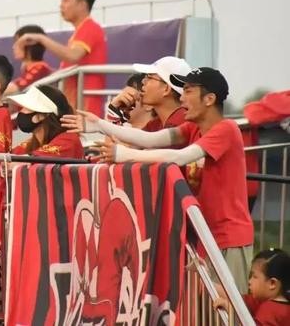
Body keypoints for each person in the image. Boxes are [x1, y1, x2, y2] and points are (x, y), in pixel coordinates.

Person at [62, 67, 254, 290]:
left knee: (227, 307)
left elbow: (180, 157)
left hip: (228, 236)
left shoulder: (227, 129)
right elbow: (151, 139)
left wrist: (124, 155)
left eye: (188, 91)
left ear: (209, 99)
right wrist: (100, 125)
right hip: (205, 233)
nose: (181, 98)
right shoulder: (193, 127)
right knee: (205, 306)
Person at [14, 0, 107, 115]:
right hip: (75, 108)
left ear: (82, 4)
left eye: (66, 0)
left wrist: (41, 38)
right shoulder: (79, 32)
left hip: (85, 109)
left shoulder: (90, 27)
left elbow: (73, 55)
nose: (61, 5)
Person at [215, 248, 290, 325]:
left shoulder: (269, 310)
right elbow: (238, 299)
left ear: (272, 283)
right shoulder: (276, 305)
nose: (249, 282)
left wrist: (231, 313)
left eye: (254, 277)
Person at [8, 85, 84, 158]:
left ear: (42, 116)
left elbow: (32, 160)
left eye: (26, 108)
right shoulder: (32, 142)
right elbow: (8, 158)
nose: (21, 112)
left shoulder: (68, 140)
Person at [4, 25, 53, 95]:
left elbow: (13, 88)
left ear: (30, 45)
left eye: (17, 42)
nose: (13, 47)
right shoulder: (31, 68)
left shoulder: (40, 68)